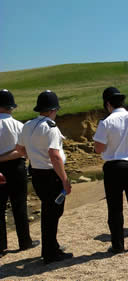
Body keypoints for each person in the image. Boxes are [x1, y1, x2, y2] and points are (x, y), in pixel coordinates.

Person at [17, 90, 73, 264]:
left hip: (36, 172)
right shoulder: (50, 127)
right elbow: (54, 155)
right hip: (51, 174)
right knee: (53, 212)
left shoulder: (27, 125)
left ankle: (51, 246)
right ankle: (50, 252)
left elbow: (20, 149)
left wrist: (33, 157)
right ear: (53, 109)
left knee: (50, 211)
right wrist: (64, 179)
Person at [93, 87, 128, 253]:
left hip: (113, 166)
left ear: (108, 104)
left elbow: (98, 148)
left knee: (115, 207)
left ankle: (118, 245)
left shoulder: (106, 122)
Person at [0, 89, 38, 257]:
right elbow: (25, 151)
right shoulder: (20, 126)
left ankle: (1, 246)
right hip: (17, 167)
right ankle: (25, 241)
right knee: (20, 205)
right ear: (11, 107)